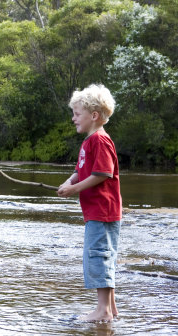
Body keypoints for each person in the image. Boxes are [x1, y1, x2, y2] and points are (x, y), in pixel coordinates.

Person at [57, 84, 121, 322]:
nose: (73, 118)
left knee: (98, 256)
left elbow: (103, 173)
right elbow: (81, 169)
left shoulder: (100, 141)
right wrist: (69, 181)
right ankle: (111, 309)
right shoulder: (89, 141)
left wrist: (74, 189)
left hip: (102, 212)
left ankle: (102, 310)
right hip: (97, 212)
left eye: (77, 114)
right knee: (103, 255)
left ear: (94, 116)